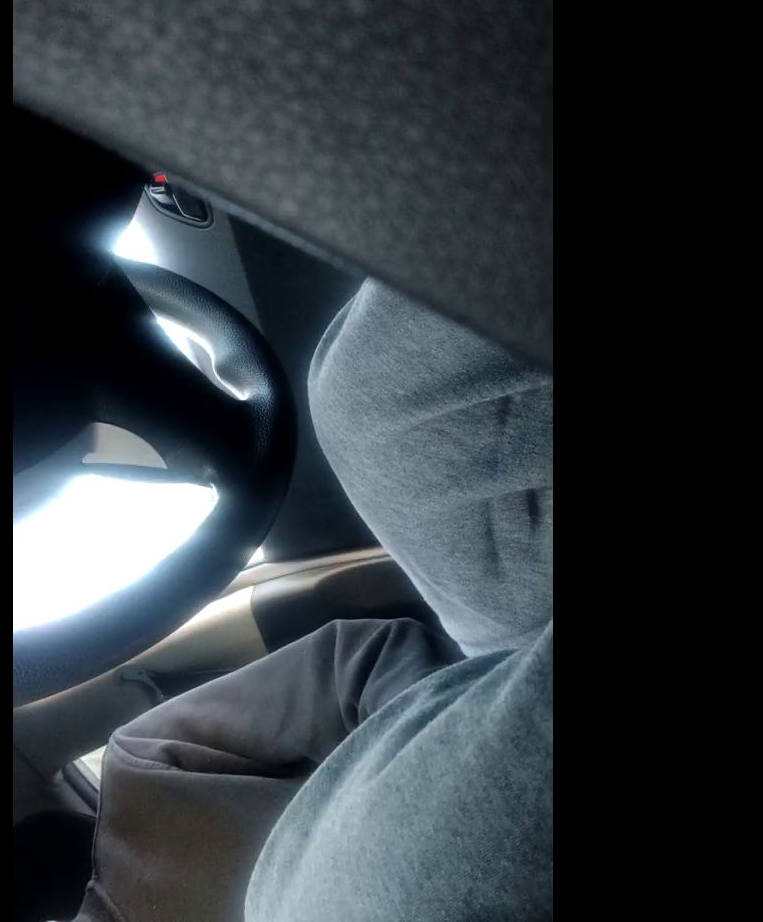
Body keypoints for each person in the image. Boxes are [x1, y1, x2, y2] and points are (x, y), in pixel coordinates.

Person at [74, 279, 553, 922]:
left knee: (376, 393)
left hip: (495, 685)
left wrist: (458, 754)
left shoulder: (151, 785)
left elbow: (358, 665)